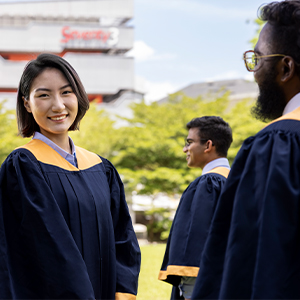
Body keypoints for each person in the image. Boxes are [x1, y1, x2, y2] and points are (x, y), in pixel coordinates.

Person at [0, 53, 141, 299]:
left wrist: (123, 290)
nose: (58, 105)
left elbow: (123, 237)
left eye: (66, 92)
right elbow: (48, 249)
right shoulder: (23, 166)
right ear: (26, 104)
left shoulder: (100, 167)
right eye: (44, 95)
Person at [191, 1, 300, 299]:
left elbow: (259, 263)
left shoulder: (278, 144)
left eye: (258, 58)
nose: (254, 71)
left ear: (285, 67)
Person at [158, 116, 233, 300]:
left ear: (208, 146)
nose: (185, 149)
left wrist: (189, 291)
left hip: (204, 287)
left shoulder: (208, 183)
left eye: (189, 142)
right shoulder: (237, 181)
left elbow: (193, 242)